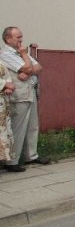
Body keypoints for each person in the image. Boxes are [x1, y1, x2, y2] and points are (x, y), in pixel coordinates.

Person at [0, 27, 50, 172]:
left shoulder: (21, 52)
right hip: (19, 96)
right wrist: (26, 65)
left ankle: (31, 155)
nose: (21, 40)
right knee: (18, 127)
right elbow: (28, 67)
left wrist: (27, 72)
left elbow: (38, 67)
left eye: (21, 37)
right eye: (18, 37)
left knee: (32, 126)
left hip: (30, 92)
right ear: (8, 39)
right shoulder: (6, 54)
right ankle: (13, 160)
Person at [0, 61, 15, 164]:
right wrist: (5, 84)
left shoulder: (1, 63)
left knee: (3, 133)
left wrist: (8, 86)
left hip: (2, 102)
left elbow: (7, 76)